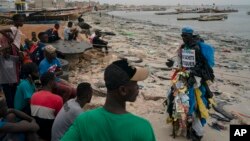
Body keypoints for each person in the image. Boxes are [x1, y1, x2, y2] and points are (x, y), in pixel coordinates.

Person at [61, 59, 156, 141]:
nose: (137, 87)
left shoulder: (84, 120)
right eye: (135, 83)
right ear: (123, 90)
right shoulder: (142, 127)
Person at [166, 27, 215, 141]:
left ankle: (197, 132)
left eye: (186, 36)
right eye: (182, 35)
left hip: (195, 82)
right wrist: (172, 64)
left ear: (191, 35)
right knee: (177, 100)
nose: (183, 38)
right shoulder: (183, 47)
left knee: (193, 104)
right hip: (183, 78)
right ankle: (183, 126)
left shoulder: (197, 48)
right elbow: (180, 62)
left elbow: (202, 66)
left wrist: (193, 74)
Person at [0, 14, 26, 108]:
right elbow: (1, 30)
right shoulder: (14, 28)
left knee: (14, 68)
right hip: (12, 51)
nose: (22, 22)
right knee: (14, 68)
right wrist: (9, 37)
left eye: (23, 20)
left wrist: (22, 48)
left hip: (15, 50)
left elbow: (18, 42)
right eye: (20, 20)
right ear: (15, 21)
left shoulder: (17, 29)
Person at [30, 72, 63, 141]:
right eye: (55, 79)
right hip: (48, 132)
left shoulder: (33, 95)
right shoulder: (57, 99)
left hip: (36, 130)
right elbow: (59, 119)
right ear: (51, 82)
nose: (57, 81)